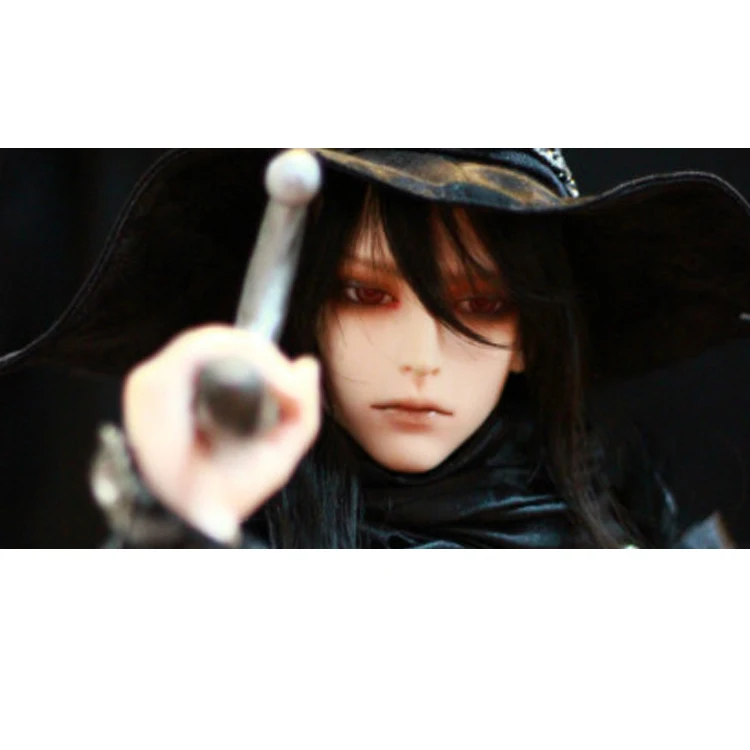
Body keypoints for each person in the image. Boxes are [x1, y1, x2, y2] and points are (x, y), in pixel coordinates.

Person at [2, 149, 749, 548]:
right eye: (364, 293)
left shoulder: (648, 546)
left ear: (529, 337)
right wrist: (185, 524)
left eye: (482, 305)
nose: (421, 356)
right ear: (305, 314)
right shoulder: (209, 527)